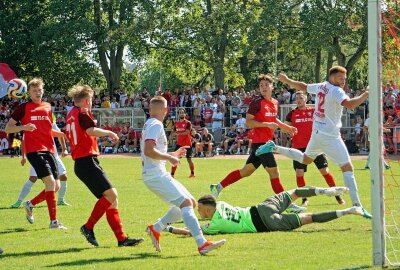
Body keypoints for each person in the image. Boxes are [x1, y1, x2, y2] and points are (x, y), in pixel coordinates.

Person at [256, 66, 372, 219]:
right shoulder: (336, 91)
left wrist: (287, 80)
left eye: (344, 78)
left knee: (305, 159)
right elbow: (350, 105)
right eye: (340, 78)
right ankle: (357, 205)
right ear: (332, 77)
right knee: (347, 167)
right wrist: (367, 93)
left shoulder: (322, 86)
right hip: (329, 136)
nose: (343, 81)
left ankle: (274, 147)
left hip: (317, 133)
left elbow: (303, 86)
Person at [141, 96, 226, 255]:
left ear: (150, 109)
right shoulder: (156, 125)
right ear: (166, 110)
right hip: (155, 175)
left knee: (191, 202)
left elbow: (151, 152)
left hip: (156, 173)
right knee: (186, 203)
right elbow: (148, 151)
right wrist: (170, 157)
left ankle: (156, 228)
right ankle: (202, 244)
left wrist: (173, 153)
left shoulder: (150, 124)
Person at [210, 74, 305, 213]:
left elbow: (274, 120)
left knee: (246, 172)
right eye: (261, 86)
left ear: (272, 86)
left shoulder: (274, 102)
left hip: (263, 143)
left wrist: (287, 127)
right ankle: (288, 205)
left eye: (266, 85)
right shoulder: (256, 102)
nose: (264, 88)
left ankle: (218, 187)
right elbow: (249, 122)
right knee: (274, 173)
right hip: (261, 143)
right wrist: (266, 124)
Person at [65, 85, 143, 247]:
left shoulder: (71, 114)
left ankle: (122, 239)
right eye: (92, 100)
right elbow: (90, 130)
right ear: (86, 100)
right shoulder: (82, 111)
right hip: (86, 161)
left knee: (111, 201)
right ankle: (88, 227)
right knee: (112, 195)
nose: (92, 103)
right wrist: (109, 133)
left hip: (83, 162)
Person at [165, 186, 364, 235]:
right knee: (294, 192)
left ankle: (348, 211)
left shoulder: (215, 225)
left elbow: (193, 231)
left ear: (206, 211)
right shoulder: (222, 204)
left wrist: (171, 229)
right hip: (262, 208)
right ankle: (325, 191)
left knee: (309, 218)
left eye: (199, 210)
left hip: (266, 224)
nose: (198, 213)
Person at [5, 78, 66, 229]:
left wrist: (64, 135)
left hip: (50, 150)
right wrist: (24, 127)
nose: (38, 93)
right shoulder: (23, 108)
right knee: (51, 182)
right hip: (34, 151)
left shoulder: (47, 106)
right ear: (29, 93)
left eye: (39, 90)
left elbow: (48, 130)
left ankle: (30, 204)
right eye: (34, 91)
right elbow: (8, 128)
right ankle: (54, 222)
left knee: (56, 185)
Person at [285, 91, 344, 206]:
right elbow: (285, 127)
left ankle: (337, 195)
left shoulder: (313, 112)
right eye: (297, 98)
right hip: (298, 147)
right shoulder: (292, 113)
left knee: (325, 171)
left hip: (315, 145)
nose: (299, 100)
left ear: (306, 99)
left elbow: (325, 122)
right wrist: (288, 131)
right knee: (299, 173)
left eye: (301, 98)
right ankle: (304, 199)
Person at [11, 122, 70, 208]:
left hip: (54, 155)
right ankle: (19, 201)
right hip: (37, 155)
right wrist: (23, 157)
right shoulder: (31, 123)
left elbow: (59, 134)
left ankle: (61, 200)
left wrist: (64, 149)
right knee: (33, 178)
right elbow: (24, 141)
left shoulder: (51, 122)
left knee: (63, 176)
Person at [171, 108, 195, 178]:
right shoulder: (176, 123)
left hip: (187, 144)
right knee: (175, 159)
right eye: (180, 112)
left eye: (182, 112)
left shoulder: (188, 123)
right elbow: (174, 132)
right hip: (179, 144)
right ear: (178, 114)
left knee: (189, 159)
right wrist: (171, 136)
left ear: (185, 114)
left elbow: (187, 132)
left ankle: (192, 173)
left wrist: (177, 134)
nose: (181, 114)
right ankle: (172, 175)